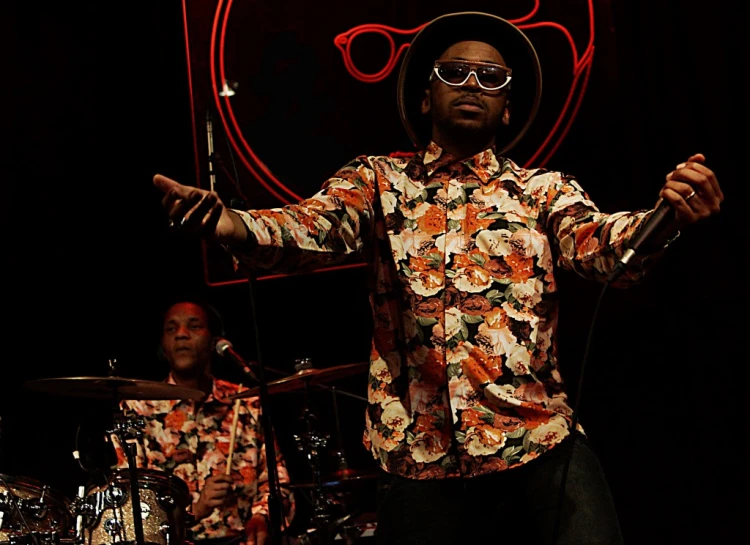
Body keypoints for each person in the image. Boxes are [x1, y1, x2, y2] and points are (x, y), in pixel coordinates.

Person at [150, 11, 723, 545]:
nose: (473, 83)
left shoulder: (544, 190)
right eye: (455, 72)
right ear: (426, 97)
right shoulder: (378, 180)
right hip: (418, 455)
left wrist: (664, 218)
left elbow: (603, 249)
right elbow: (311, 227)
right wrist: (227, 221)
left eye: (492, 78)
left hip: (538, 441)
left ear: (507, 109)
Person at [110, 296, 296, 545]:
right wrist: (195, 511)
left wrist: (262, 517)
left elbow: (278, 483)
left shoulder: (246, 403)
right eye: (171, 328)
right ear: (163, 345)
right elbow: (127, 506)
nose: (182, 335)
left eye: (194, 326)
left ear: (213, 341)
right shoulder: (136, 411)